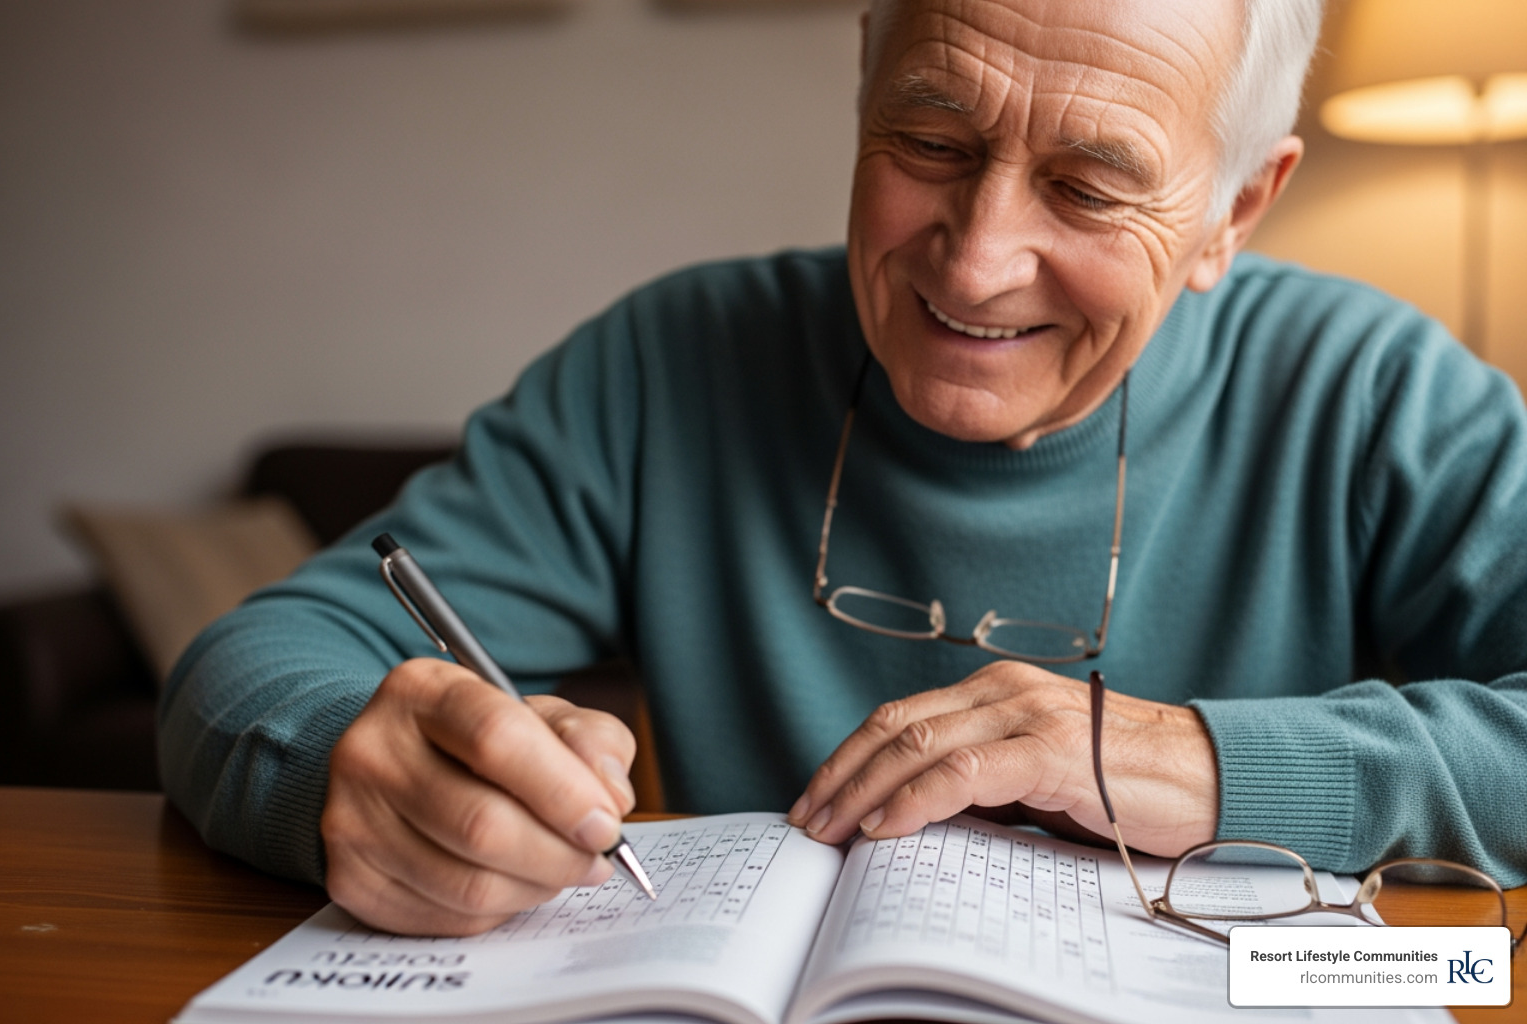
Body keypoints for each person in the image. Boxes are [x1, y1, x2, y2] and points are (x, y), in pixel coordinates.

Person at [159, 0, 1527, 937]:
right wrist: (350, 769)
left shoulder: (1374, 391)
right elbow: (259, 658)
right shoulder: (670, 360)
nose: (978, 260)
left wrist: (1205, 765)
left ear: (1238, 207)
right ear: (865, 77)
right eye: (932, 141)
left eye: (1090, 187)